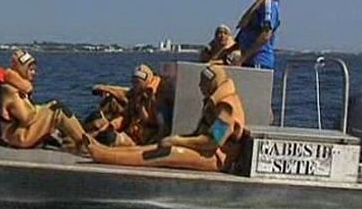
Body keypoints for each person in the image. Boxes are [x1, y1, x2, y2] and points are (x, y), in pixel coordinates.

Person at [84, 65, 245, 172]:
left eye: (202, 83)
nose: (199, 86)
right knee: (154, 148)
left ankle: (107, 157)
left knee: (168, 153)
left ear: (212, 83)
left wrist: (178, 141)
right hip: (205, 149)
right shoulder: (216, 102)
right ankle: (108, 151)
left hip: (216, 157)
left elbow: (214, 141)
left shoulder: (226, 108)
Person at [0, 49, 86, 151]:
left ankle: (80, 139)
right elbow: (26, 118)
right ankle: (85, 144)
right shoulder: (11, 90)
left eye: (34, 70)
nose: (34, 73)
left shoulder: (19, 88)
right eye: (31, 70)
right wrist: (44, 111)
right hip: (18, 136)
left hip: (22, 132)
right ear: (21, 69)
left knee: (55, 107)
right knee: (58, 111)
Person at [85, 64, 171, 147]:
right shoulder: (135, 96)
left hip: (143, 137)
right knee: (96, 120)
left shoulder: (156, 99)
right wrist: (111, 126)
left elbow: (161, 126)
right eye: (133, 82)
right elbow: (125, 116)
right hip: (131, 131)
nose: (134, 85)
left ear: (145, 82)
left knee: (108, 138)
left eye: (137, 82)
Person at [234, 0, 280, 69]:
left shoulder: (268, 4)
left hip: (258, 61)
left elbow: (265, 35)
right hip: (248, 61)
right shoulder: (259, 5)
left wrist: (243, 58)